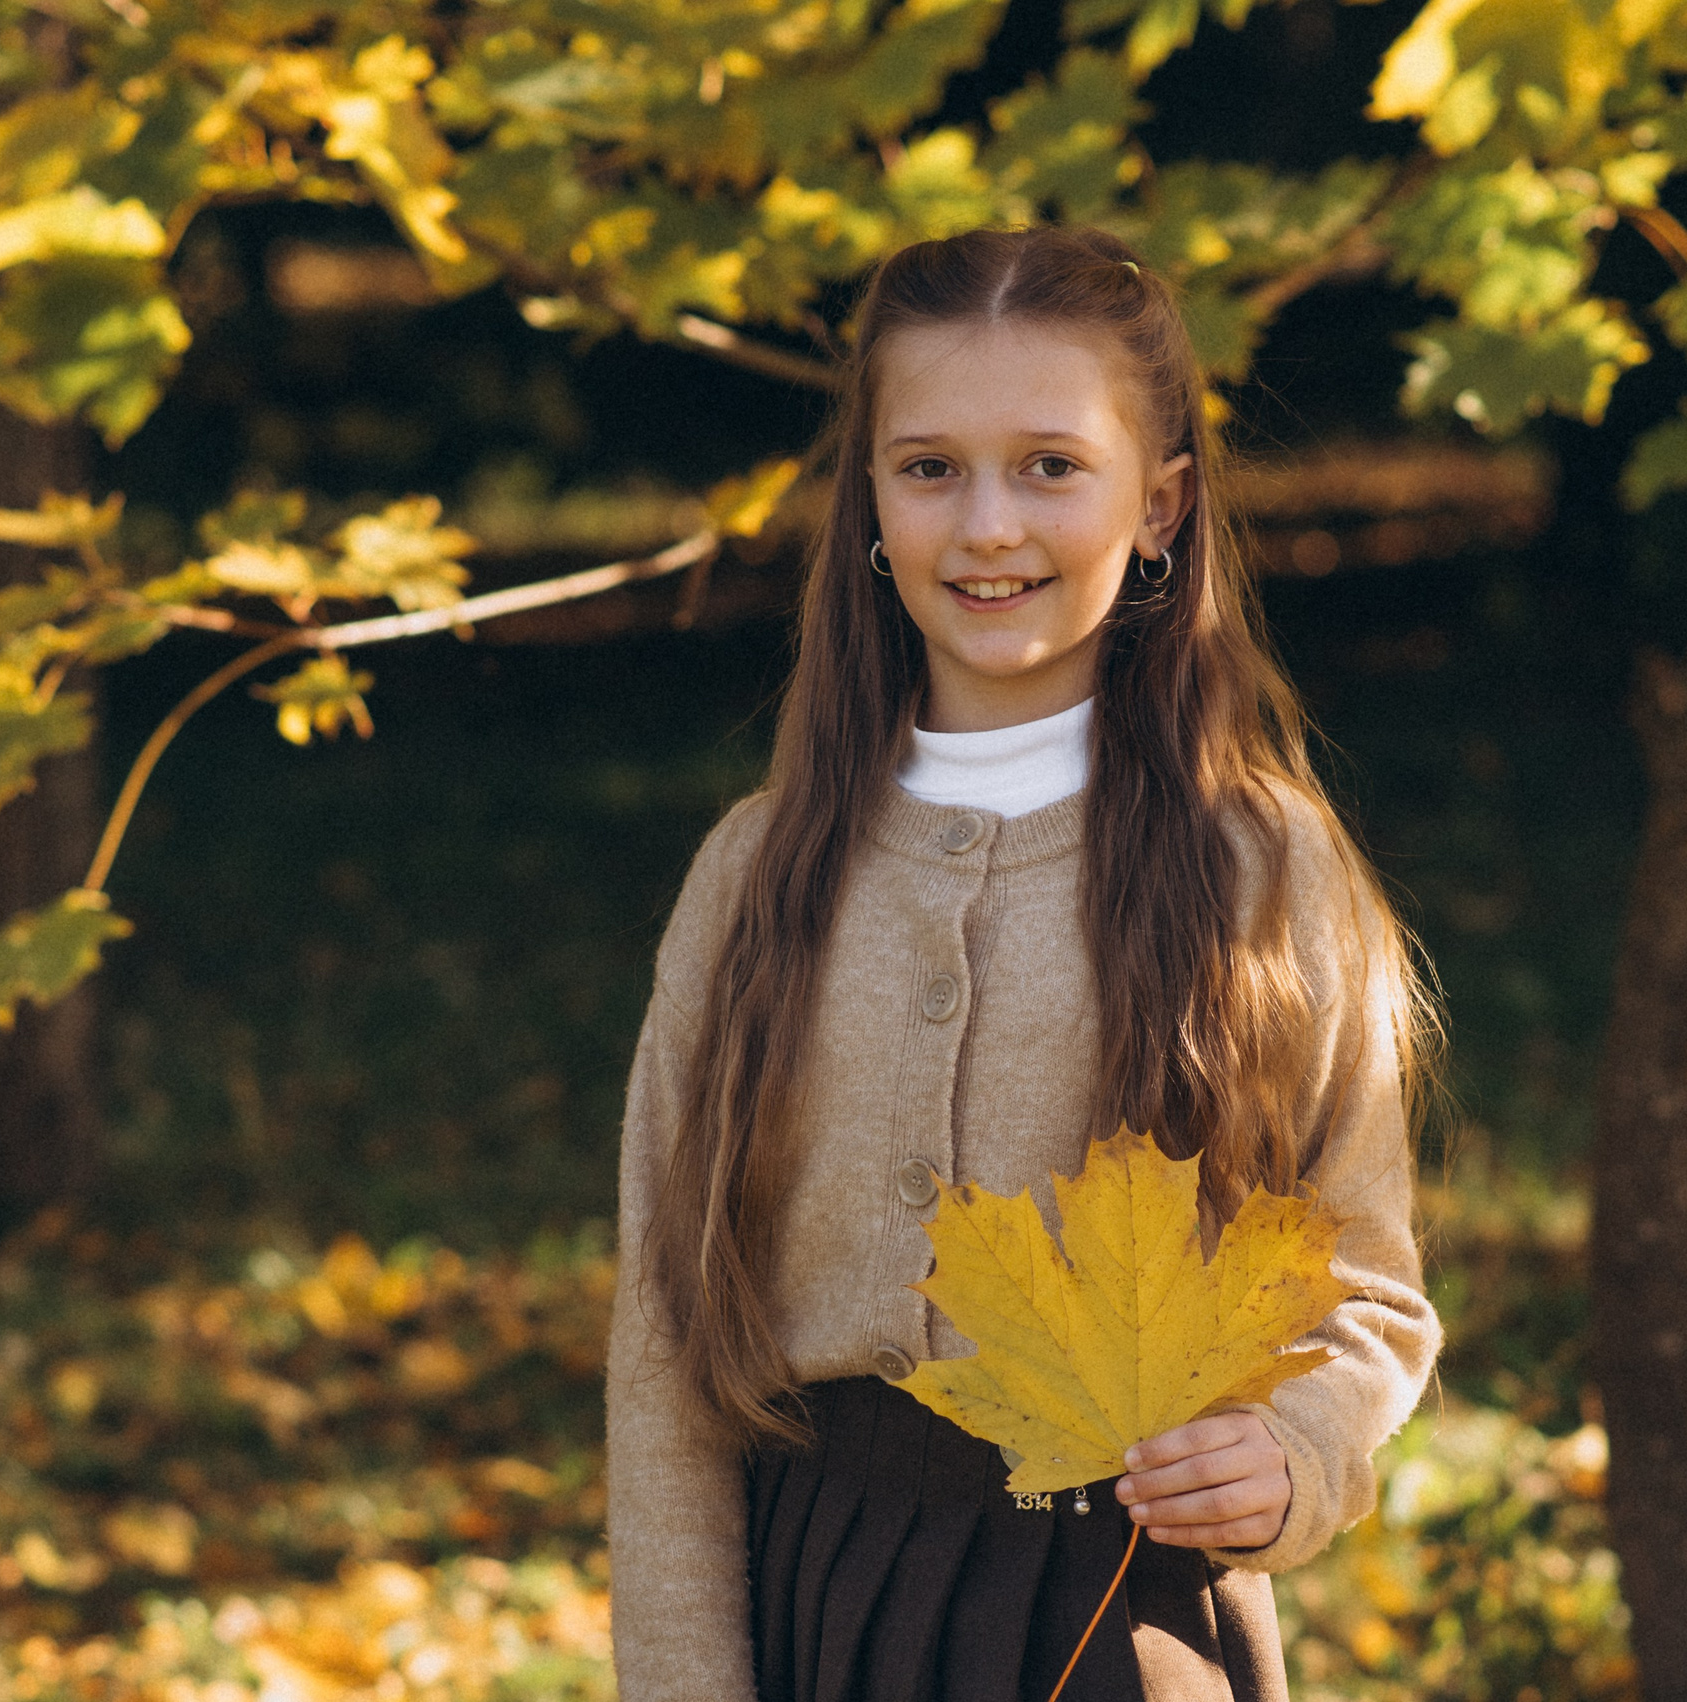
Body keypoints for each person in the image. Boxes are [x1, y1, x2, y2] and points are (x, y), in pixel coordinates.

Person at [605, 224, 1441, 1702]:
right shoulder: (755, 878)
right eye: (931, 468)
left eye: (1052, 466)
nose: (989, 524)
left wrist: (1298, 1453)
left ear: (1160, 504)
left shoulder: (1263, 870)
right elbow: (669, 1349)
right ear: (871, 501)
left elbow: (1364, 1293)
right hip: (827, 1610)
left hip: (1126, 1605)